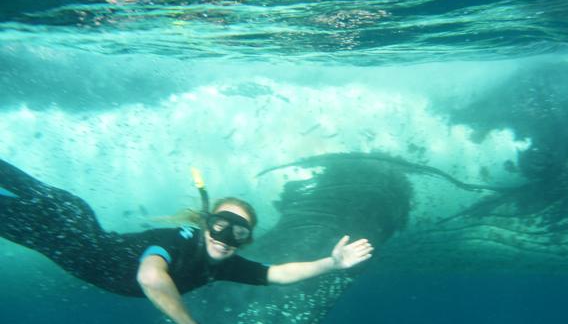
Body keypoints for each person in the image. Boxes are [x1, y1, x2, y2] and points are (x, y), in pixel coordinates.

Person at [0, 159, 374, 324]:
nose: (227, 238)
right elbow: (150, 277)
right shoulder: (177, 240)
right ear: (206, 224)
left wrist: (332, 263)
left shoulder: (223, 265)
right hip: (65, 230)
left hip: (62, 229)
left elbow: (278, 273)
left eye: (239, 233)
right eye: (222, 226)